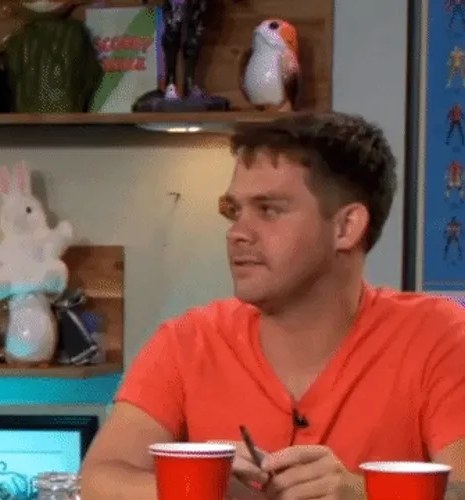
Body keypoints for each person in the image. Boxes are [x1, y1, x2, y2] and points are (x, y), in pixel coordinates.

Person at [80, 111, 465, 499]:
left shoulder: (438, 336)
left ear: (346, 227)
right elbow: (100, 479)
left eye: (268, 210)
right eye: (234, 211)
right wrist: (202, 489)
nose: (236, 233)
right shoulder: (188, 341)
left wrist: (364, 494)